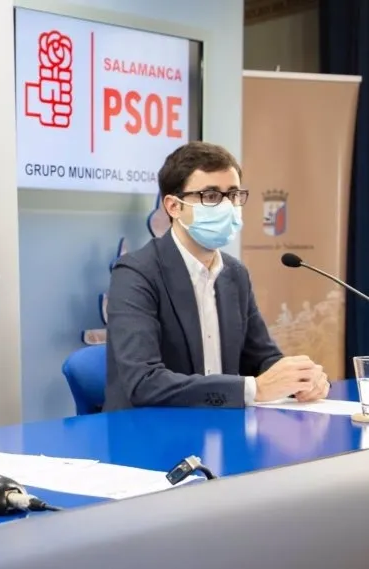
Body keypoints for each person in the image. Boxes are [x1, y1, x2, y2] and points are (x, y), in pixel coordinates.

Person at [104, 141, 328, 411]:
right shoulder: (136, 272)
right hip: (151, 434)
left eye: (233, 195)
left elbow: (262, 358)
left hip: (224, 428)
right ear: (174, 206)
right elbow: (144, 382)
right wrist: (254, 389)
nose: (227, 206)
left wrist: (299, 379)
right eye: (210, 196)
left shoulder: (235, 274)